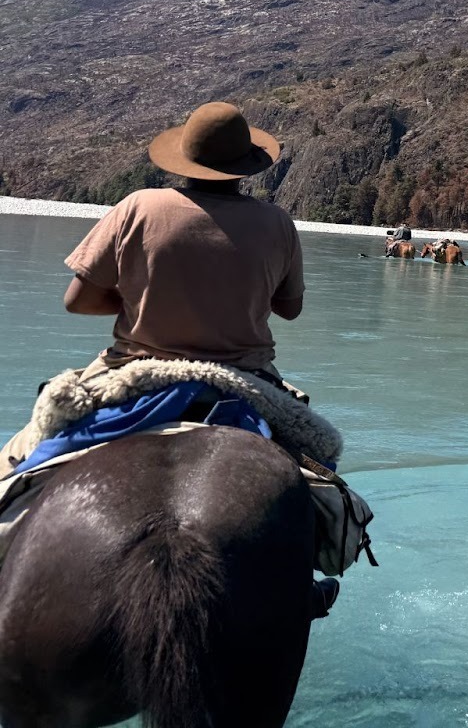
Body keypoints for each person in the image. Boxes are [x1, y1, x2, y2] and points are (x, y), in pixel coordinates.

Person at [0, 102, 338, 613]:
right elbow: (289, 310)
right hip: (245, 379)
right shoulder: (277, 222)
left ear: (183, 159)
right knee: (320, 467)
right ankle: (302, 582)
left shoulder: (138, 206)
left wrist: (140, 298)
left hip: (134, 372)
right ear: (245, 166)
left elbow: (78, 300)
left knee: (21, 458)